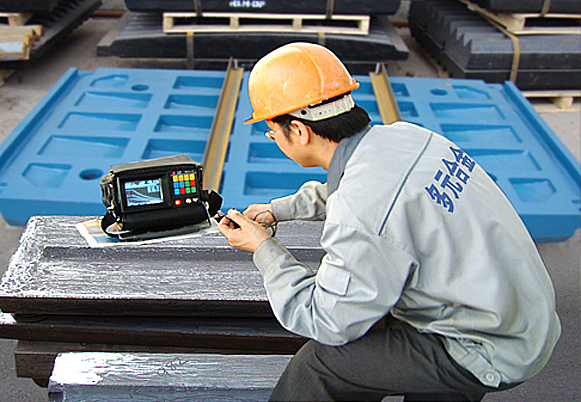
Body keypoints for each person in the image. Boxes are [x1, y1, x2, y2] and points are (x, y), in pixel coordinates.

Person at [217, 42, 561, 402]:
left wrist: (263, 248)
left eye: (272, 133)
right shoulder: (404, 136)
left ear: (299, 131)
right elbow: (363, 189)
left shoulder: (359, 210)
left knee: (320, 365)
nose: (275, 140)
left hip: (487, 346)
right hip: (523, 315)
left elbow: (325, 319)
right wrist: (279, 209)